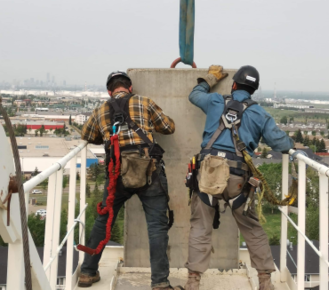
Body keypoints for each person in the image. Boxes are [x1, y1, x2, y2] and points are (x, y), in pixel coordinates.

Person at [184, 65, 296, 290]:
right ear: (253, 90)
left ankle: (193, 282)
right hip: (238, 179)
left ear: (233, 85)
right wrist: (294, 149)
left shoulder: (216, 101)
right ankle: (265, 282)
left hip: (208, 173)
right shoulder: (260, 114)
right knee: (252, 228)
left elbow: (195, 95)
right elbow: (282, 143)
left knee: (200, 226)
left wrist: (210, 79)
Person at [78, 71, 183, 290]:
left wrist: (106, 132)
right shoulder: (144, 102)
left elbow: (87, 135)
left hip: (117, 173)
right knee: (156, 227)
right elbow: (168, 127)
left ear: (109, 91)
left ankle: (87, 273)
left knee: (103, 221)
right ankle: (160, 283)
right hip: (148, 171)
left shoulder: (100, 110)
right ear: (130, 87)